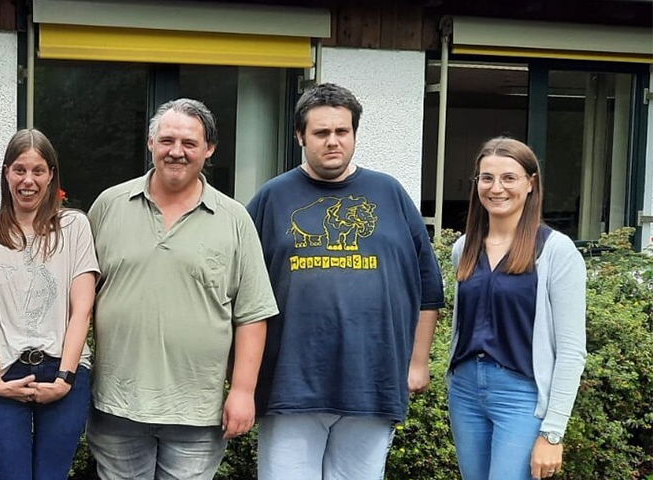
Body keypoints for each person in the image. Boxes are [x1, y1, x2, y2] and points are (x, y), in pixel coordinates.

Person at [245, 83, 445, 479]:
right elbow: (242, 291)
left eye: (343, 132)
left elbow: (428, 286)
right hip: (289, 384)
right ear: (300, 136)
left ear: (354, 133)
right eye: (321, 133)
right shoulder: (272, 199)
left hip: (372, 381)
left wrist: (418, 362)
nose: (333, 142)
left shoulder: (389, 194)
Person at [87, 99, 278, 480]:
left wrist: (242, 391)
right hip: (117, 405)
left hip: (198, 411)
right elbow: (79, 301)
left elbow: (253, 314)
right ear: (150, 144)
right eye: (167, 140)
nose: (177, 151)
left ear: (209, 150)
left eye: (189, 143)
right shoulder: (108, 206)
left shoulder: (234, 219)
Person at [0, 129, 98, 480]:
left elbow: (82, 310)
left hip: (63, 373)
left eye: (38, 171)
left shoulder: (74, 227)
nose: (28, 180)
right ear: (6, 173)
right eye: (19, 170)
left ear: (51, 175)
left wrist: (65, 378)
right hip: (1, 373)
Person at [448, 137, 586, 480]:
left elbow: (571, 351)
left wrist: (552, 433)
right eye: (487, 178)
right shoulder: (464, 248)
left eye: (509, 178)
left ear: (530, 184)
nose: (496, 188)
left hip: (521, 397)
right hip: (465, 392)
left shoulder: (556, 251)